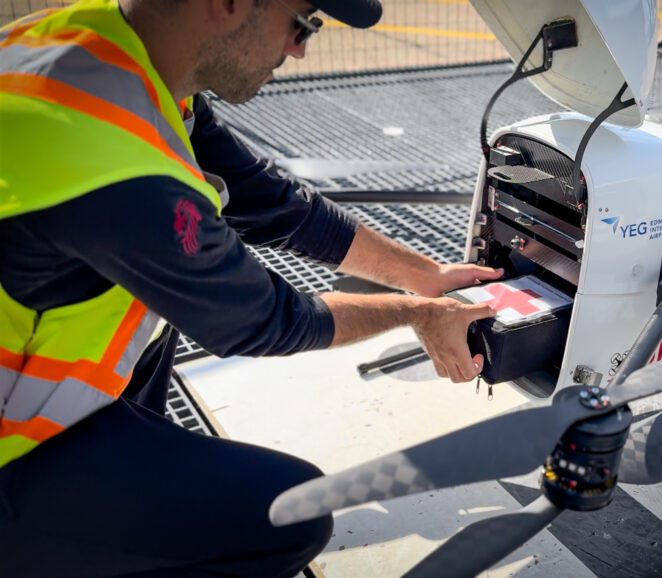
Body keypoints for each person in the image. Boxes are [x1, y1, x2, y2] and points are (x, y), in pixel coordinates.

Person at [0, 0, 502, 575]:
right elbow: (265, 320)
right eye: (303, 22)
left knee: (152, 324)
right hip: (14, 452)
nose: (300, 48)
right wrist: (417, 314)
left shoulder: (108, 56)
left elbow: (271, 202)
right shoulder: (109, 165)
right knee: (292, 515)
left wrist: (425, 278)